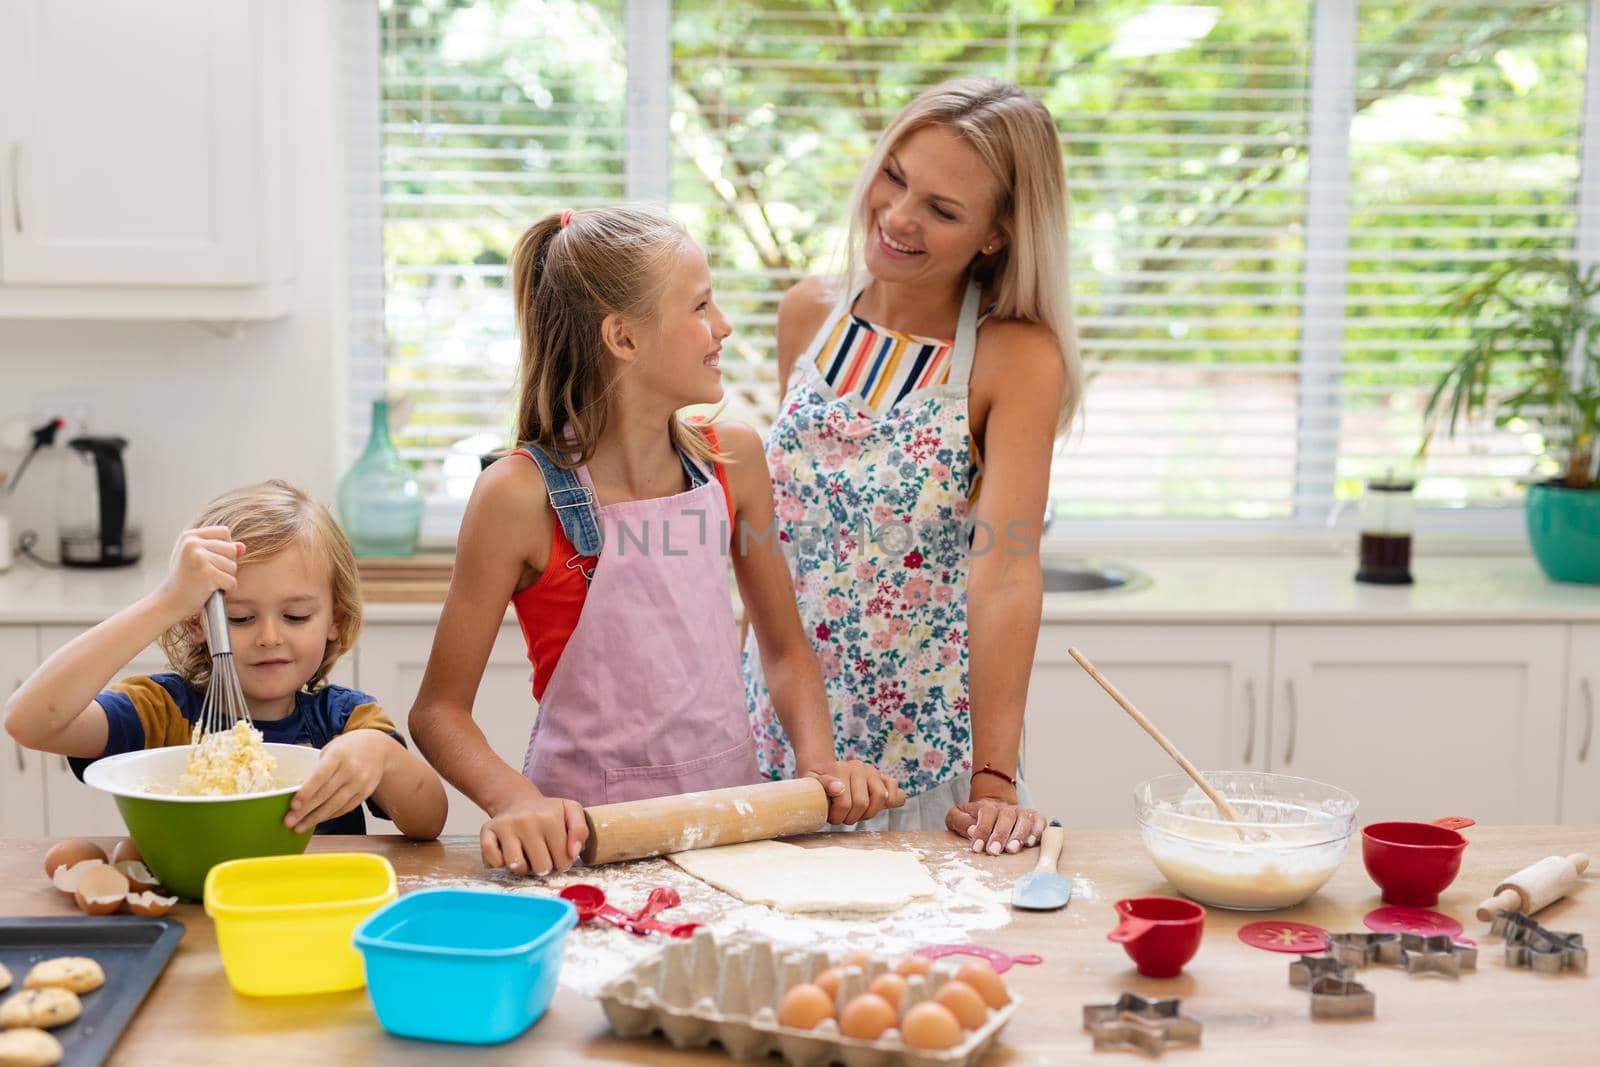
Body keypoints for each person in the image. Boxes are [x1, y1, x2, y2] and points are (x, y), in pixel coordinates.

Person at [408, 206, 903, 878]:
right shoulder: (517, 496)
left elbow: (784, 650)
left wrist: (820, 768)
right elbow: (438, 711)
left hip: (734, 829)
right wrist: (518, 803)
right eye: (701, 305)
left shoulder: (736, 461)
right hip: (584, 846)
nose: (724, 325)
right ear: (623, 337)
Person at [745, 77, 1083, 855]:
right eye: (895, 177)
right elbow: (774, 540)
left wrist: (993, 778)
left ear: (996, 235)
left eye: (943, 209)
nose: (898, 217)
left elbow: (1004, 573)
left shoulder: (1016, 357)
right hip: (779, 738)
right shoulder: (807, 314)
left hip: (923, 762)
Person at [2, 480, 447, 838]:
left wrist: (381, 756)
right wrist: (165, 603)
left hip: (312, 910)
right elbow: (30, 721)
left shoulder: (346, 721)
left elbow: (429, 821)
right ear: (196, 624)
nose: (269, 637)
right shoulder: (162, 713)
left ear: (336, 620)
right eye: (239, 617)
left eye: (295, 615)